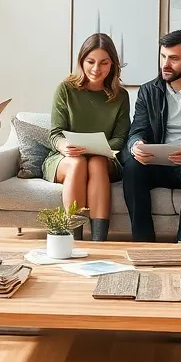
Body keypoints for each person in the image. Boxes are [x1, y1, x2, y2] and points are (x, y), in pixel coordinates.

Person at [123, 30, 181, 244]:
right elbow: (137, 129)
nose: (166, 64)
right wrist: (136, 145)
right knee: (132, 167)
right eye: (163, 56)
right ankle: (143, 241)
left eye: (174, 58)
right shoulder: (148, 91)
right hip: (156, 163)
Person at [43, 33, 130, 242]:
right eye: (90, 61)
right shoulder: (66, 89)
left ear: (113, 65)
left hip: (105, 157)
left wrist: (96, 148)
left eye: (104, 63)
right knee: (78, 163)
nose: (96, 69)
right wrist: (64, 146)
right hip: (66, 159)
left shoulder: (120, 96)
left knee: (97, 162)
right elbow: (55, 133)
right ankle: (73, 240)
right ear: (81, 61)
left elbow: (120, 139)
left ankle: (99, 242)